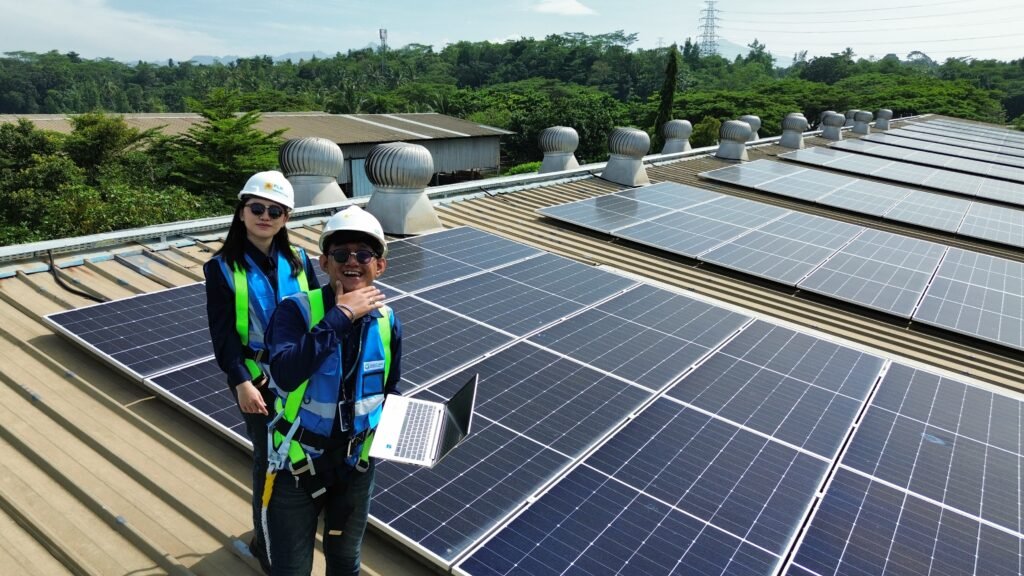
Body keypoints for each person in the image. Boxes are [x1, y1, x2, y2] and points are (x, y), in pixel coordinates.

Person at [265, 205, 402, 576]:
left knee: (345, 561)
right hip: (298, 465)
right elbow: (287, 374)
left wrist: (408, 434)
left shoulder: (388, 320)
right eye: (341, 254)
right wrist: (340, 316)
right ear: (324, 263)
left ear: (380, 266)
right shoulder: (295, 312)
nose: (352, 261)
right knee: (291, 569)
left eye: (364, 254)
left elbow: (389, 390)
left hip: (356, 465)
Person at [203, 170, 320, 574]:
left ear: (286, 218)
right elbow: (223, 336)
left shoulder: (301, 261)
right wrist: (241, 382)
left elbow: (320, 317)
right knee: (268, 461)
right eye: (257, 207)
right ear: (241, 212)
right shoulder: (221, 268)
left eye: (275, 210)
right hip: (258, 381)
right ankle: (265, 544)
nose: (265, 216)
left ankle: (293, 525)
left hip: (302, 374)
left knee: (302, 451)